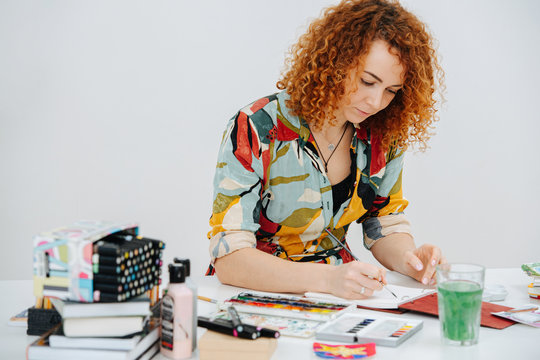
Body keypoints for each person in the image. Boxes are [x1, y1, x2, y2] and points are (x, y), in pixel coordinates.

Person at [206, 0, 446, 300]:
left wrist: (411, 261)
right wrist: (329, 279)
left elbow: (383, 222)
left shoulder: (382, 136)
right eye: (367, 81)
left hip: (339, 301)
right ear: (336, 63)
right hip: (255, 296)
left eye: (391, 91)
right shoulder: (256, 127)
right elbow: (230, 259)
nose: (375, 102)